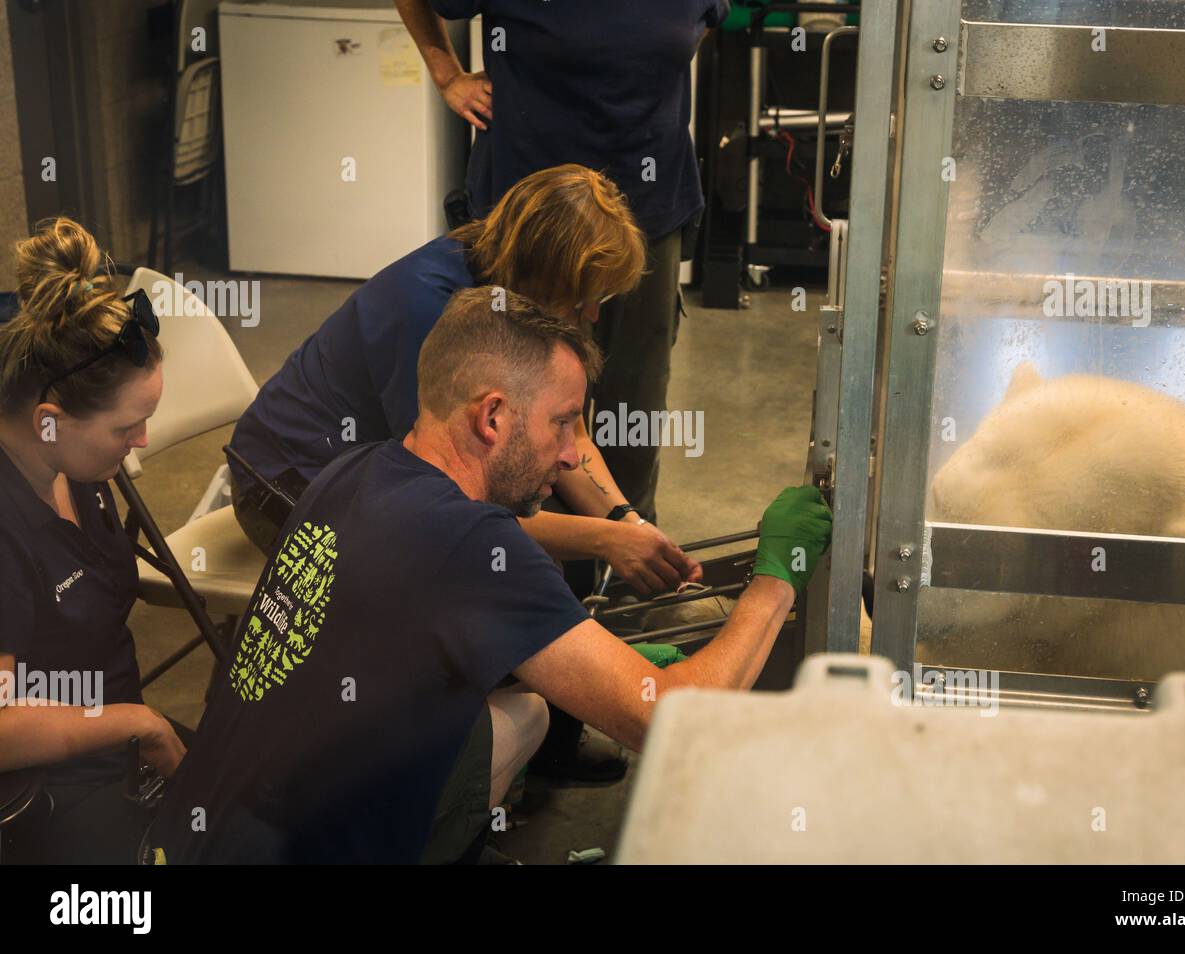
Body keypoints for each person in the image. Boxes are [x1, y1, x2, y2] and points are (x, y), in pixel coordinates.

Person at [146, 286, 831, 864]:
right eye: (562, 424)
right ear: (494, 415)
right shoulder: (470, 545)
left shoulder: (352, 472)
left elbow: (410, 635)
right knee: (527, 715)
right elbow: (669, 718)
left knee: (528, 708)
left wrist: (590, 663)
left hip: (200, 832)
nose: (570, 456)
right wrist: (776, 577)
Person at [229, 165, 698, 598]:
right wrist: (602, 539)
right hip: (286, 486)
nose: (593, 315)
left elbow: (567, 432)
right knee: (501, 573)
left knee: (547, 546)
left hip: (373, 475)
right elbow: (445, 508)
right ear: (545, 272)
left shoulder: (513, 281)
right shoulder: (430, 314)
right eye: (583, 299)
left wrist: (626, 522)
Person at [395, 0, 730, 525]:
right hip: (532, 223)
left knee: (631, 409)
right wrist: (446, 73)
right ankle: (530, 575)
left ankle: (625, 565)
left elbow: (706, 20)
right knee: (521, 415)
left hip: (647, 210)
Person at [0, 217, 187, 864]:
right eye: (126, 428)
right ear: (48, 422)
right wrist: (141, 724)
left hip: (115, 746)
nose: (141, 444)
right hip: (56, 788)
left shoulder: (74, 468)